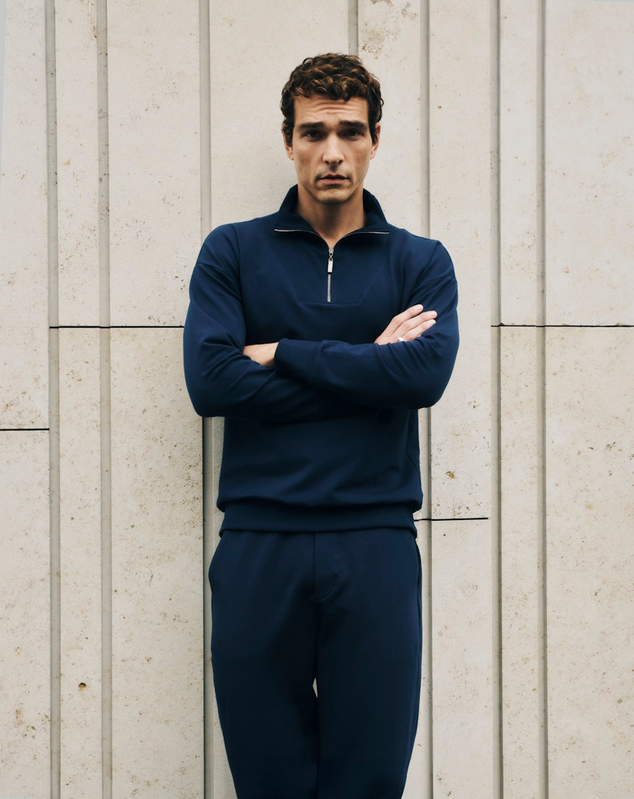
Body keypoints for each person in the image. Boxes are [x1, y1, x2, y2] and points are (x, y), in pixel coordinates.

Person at [183, 53, 459, 799]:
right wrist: (369, 370)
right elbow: (210, 382)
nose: (331, 151)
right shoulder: (232, 252)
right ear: (287, 140)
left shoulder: (420, 263)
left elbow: (424, 376)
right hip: (258, 542)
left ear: (374, 139)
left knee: (367, 780)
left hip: (374, 544)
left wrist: (282, 354)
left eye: (349, 131)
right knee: (268, 778)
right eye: (313, 132)